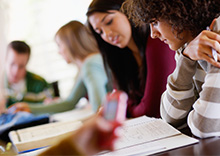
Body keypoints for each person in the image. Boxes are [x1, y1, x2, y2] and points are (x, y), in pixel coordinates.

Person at [123, 0, 220, 138]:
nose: (153, 34)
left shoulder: (217, 33)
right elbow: (170, 118)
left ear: (177, 11)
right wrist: (186, 59)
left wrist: (190, 116)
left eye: (155, 22)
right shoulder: (185, 45)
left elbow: (205, 127)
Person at [86, 0, 176, 118]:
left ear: (128, 11)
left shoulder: (157, 40)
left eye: (109, 22)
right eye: (100, 31)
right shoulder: (122, 56)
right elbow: (120, 97)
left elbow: (152, 109)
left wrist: (125, 109)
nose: (107, 34)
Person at [10, 21, 111, 114]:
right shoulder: (86, 66)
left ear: (70, 44)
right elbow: (69, 103)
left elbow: (99, 109)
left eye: (59, 45)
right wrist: (29, 108)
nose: (59, 52)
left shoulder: (90, 65)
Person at [4, 41, 54, 108]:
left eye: (21, 66)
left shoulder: (40, 83)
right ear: (5, 60)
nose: (15, 71)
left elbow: (51, 106)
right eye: (12, 64)